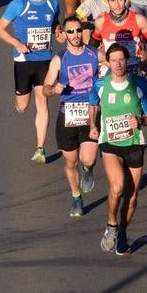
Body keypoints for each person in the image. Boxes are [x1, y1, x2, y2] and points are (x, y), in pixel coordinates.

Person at [89, 44, 147, 256]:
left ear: (128, 61)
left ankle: (123, 232)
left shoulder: (140, 84)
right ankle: (111, 225)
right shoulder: (100, 84)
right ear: (107, 62)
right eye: (113, 60)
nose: (117, 64)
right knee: (116, 187)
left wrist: (140, 120)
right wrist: (92, 125)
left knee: (132, 195)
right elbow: (93, 103)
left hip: (134, 143)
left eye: (121, 59)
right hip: (110, 143)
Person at [0, 0, 60, 163]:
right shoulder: (18, 4)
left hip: (44, 60)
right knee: (23, 106)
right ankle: (19, 102)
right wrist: (17, 44)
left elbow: (55, 23)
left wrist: (59, 31)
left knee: (43, 102)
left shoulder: (52, 3)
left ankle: (40, 148)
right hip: (23, 62)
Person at [42, 15, 100, 218]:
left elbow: (112, 65)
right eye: (71, 32)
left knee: (89, 158)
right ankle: (76, 197)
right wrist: (53, 89)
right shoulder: (60, 59)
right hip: (67, 115)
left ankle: (88, 169)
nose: (75, 35)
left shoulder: (94, 54)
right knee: (70, 162)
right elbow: (45, 89)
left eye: (78, 31)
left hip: (90, 113)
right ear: (64, 34)